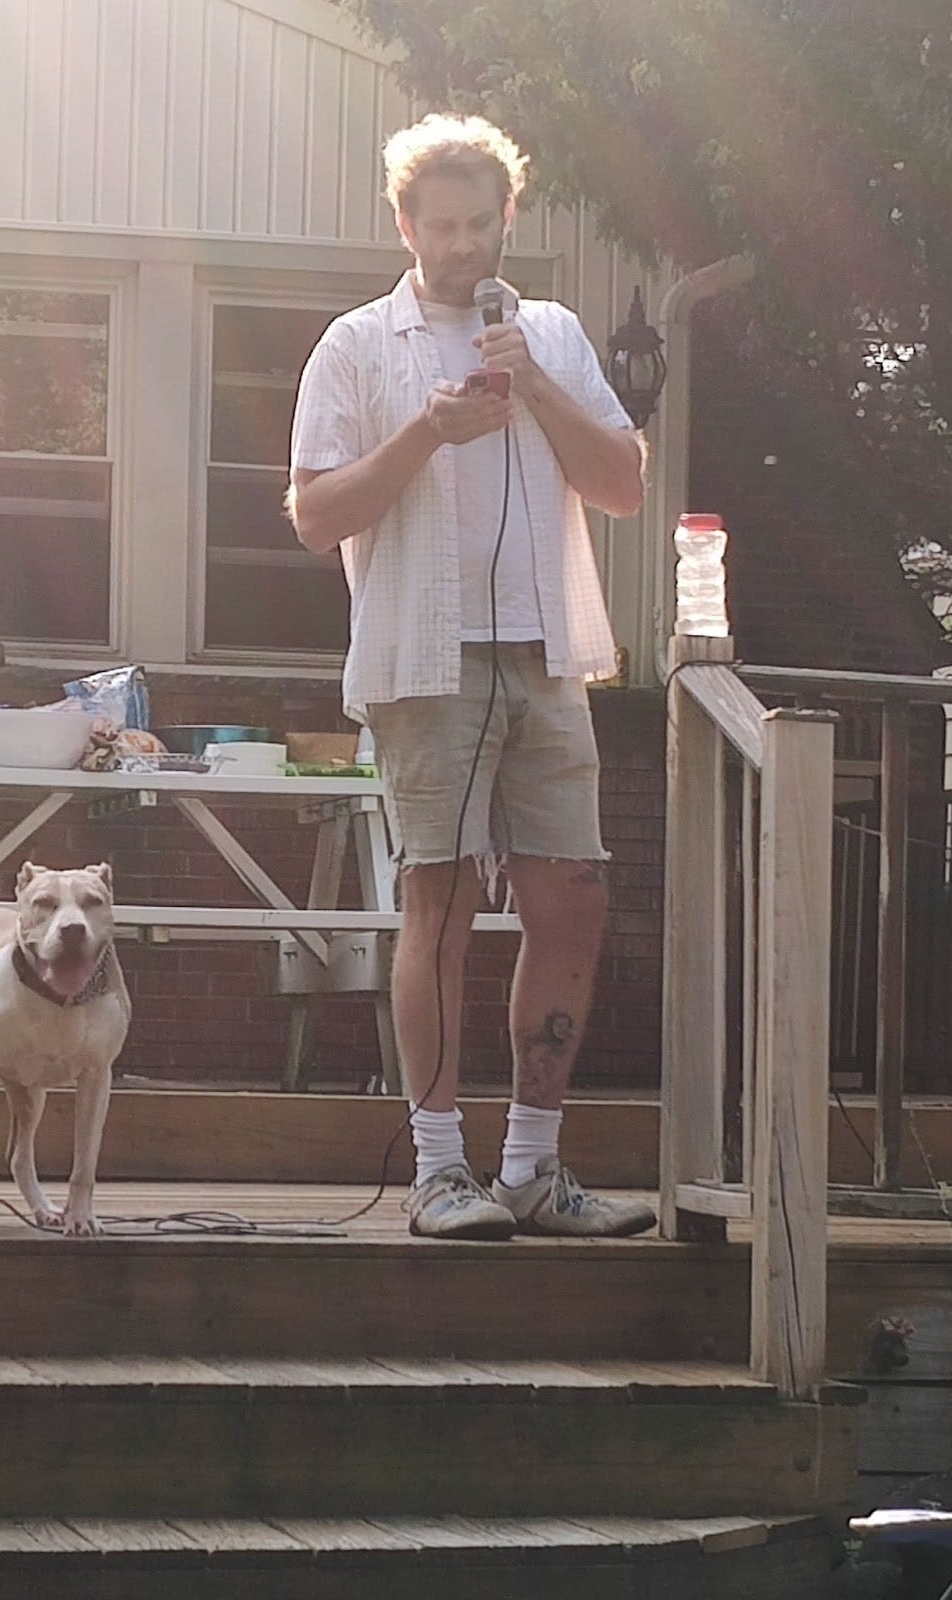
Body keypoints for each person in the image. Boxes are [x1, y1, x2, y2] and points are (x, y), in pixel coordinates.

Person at [287, 112, 656, 1241]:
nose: (460, 247)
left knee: (572, 900)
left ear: (507, 220)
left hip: (546, 653)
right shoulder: (358, 345)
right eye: (439, 226)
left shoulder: (549, 333)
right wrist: (426, 436)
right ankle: (441, 1169)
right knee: (438, 904)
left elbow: (623, 485)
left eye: (478, 225)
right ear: (404, 225)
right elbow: (314, 516)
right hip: (424, 657)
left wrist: (534, 384)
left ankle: (533, 1167)